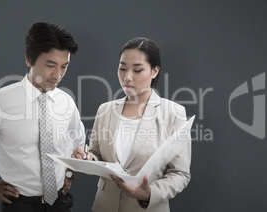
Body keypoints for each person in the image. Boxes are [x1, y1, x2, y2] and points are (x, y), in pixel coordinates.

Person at [0, 22, 85, 212]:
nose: (58, 75)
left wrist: (70, 173)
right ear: (29, 60)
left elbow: (77, 140)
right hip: (19, 205)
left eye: (64, 66)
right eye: (50, 65)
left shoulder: (66, 101)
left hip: (60, 202)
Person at [72, 37, 191, 211]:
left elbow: (180, 173)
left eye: (137, 70)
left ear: (154, 71)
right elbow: (96, 154)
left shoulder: (174, 113)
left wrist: (149, 193)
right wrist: (87, 159)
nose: (127, 77)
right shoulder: (105, 110)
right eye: (122, 68)